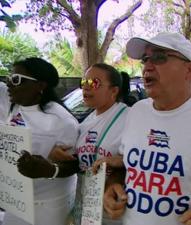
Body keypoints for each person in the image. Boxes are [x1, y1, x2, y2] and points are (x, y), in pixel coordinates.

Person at [101, 32, 191, 225]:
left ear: (189, 70)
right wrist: (114, 185)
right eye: (145, 59)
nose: (147, 66)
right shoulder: (136, 112)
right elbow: (128, 165)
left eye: (159, 57)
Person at [16, 63, 131, 225]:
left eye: (94, 83)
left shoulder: (129, 118)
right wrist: (57, 156)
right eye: (83, 83)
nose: (86, 88)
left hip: (115, 212)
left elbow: (139, 160)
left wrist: (119, 161)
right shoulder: (85, 124)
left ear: (114, 90)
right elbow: (81, 163)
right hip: (86, 210)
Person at [1, 57, 79, 225]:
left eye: (16, 80)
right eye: (9, 79)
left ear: (40, 85)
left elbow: (75, 165)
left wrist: (50, 170)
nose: (9, 84)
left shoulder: (62, 121)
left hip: (47, 206)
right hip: (16, 200)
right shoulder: (15, 108)